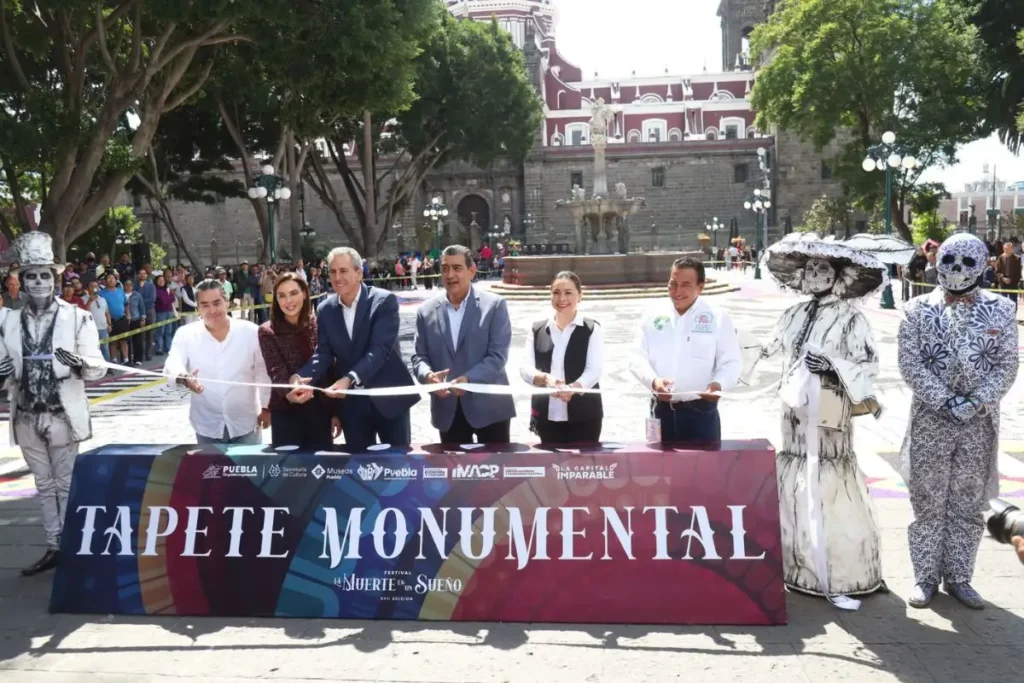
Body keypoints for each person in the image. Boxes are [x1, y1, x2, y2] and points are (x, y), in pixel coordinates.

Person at [760, 232, 887, 603]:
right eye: (811, 268)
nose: (815, 275)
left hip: (830, 415)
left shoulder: (850, 318)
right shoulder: (794, 313)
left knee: (828, 479)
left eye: (823, 269)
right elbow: (768, 349)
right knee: (797, 476)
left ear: (838, 275)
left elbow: (868, 365)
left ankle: (837, 572)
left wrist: (833, 366)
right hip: (793, 416)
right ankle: (796, 564)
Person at [899, 233, 1018, 610]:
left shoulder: (1001, 308)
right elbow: (910, 363)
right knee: (928, 500)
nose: (955, 270)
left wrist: (977, 401)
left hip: (979, 423)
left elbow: (1007, 364)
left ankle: (960, 577)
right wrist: (945, 400)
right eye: (949, 259)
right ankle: (925, 577)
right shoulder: (916, 309)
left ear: (983, 265)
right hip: (931, 420)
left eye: (967, 263)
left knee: (968, 504)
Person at [0, 232, 105, 576]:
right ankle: (54, 546)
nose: (40, 281)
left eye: (46, 275)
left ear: (55, 279)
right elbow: (5, 373)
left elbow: (98, 368)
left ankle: (76, 546)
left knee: (66, 482)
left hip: (62, 411)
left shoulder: (78, 318)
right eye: (32, 275)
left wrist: (77, 362)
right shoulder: (8, 321)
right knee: (43, 485)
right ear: (21, 281)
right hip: (26, 414)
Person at [290, 247, 418, 452]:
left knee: (398, 470)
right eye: (332, 272)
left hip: (389, 400)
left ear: (359, 273)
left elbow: (379, 350)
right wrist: (300, 377)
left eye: (343, 271)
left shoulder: (384, 301)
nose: (337, 277)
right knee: (358, 472)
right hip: (352, 407)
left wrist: (349, 378)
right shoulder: (325, 309)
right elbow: (323, 353)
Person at [628, 256, 741, 442]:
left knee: (702, 470)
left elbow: (731, 362)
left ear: (701, 287)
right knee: (658, 469)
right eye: (673, 284)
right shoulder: (652, 317)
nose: (677, 291)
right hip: (660, 412)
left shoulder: (717, 318)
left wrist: (719, 384)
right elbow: (636, 358)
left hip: (700, 413)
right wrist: (654, 381)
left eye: (685, 285)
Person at [412, 244, 515, 444]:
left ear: (472, 270)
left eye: (457, 268)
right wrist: (427, 375)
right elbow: (419, 357)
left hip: (490, 409)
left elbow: (498, 356)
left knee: (496, 473)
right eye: (445, 268)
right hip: (447, 411)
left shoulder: (494, 306)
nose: (450, 275)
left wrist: (469, 379)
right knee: (453, 474)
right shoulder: (425, 311)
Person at [165, 279, 271, 445]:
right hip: (206, 425)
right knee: (210, 471)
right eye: (205, 305)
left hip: (247, 423)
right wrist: (184, 377)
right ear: (198, 308)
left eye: (217, 303)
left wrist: (266, 407)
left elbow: (263, 373)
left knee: (250, 470)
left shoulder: (251, 332)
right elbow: (173, 363)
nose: (212, 310)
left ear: (227, 302)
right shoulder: (185, 334)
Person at [520, 271, 604, 444]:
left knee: (581, 468)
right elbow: (525, 367)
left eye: (568, 292)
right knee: (550, 468)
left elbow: (594, 370)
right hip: (546, 415)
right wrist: (544, 379)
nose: (561, 298)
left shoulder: (590, 328)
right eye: (556, 292)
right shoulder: (538, 329)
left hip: (584, 414)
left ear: (580, 295)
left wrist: (573, 388)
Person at [259, 274, 339, 449]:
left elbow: (330, 368)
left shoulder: (319, 325)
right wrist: (289, 392)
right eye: (282, 295)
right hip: (286, 410)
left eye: (293, 293)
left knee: (322, 468)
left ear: (304, 293)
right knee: (289, 470)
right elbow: (275, 368)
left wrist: (335, 412)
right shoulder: (267, 331)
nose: (288, 301)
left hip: (320, 410)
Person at [99, 273, 130, 365]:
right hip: (109, 320)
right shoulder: (101, 293)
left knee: (124, 340)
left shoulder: (121, 291)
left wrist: (128, 315)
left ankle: (126, 359)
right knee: (112, 341)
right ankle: (114, 359)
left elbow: (126, 304)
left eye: (113, 278)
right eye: (109, 278)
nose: (111, 280)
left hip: (122, 318)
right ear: (105, 281)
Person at [86, 281, 112, 363]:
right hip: (91, 329)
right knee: (94, 349)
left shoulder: (103, 299)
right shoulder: (84, 299)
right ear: (88, 288)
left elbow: (107, 313)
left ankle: (107, 367)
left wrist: (109, 324)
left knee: (105, 348)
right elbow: (84, 312)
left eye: (96, 286)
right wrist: (90, 300)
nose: (94, 288)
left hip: (103, 328)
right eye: (92, 286)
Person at [152, 274, 176, 355]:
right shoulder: (155, 289)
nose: (161, 281)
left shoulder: (167, 289)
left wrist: (168, 299)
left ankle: (168, 348)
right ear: (156, 281)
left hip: (169, 311)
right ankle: (159, 348)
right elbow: (163, 300)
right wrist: (169, 299)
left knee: (168, 331)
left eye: (163, 280)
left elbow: (173, 298)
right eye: (159, 280)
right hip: (160, 312)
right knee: (160, 331)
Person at [124, 279, 145, 367]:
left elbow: (142, 307)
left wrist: (143, 318)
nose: (128, 286)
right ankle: (127, 359)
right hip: (124, 320)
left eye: (130, 284)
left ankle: (138, 359)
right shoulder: (121, 295)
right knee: (126, 341)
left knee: (138, 340)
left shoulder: (137, 295)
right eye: (126, 284)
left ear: (132, 286)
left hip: (136, 319)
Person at [995, 241, 1021, 309]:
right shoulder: (1001, 257)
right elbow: (997, 271)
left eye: (1008, 249)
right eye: (1005, 249)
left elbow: (1018, 272)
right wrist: (1003, 278)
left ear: (1012, 249)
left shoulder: (1017, 258)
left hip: (1013, 283)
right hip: (1003, 283)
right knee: (1002, 302)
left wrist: (1011, 279)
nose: (1006, 250)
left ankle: (1013, 316)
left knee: (1013, 302)